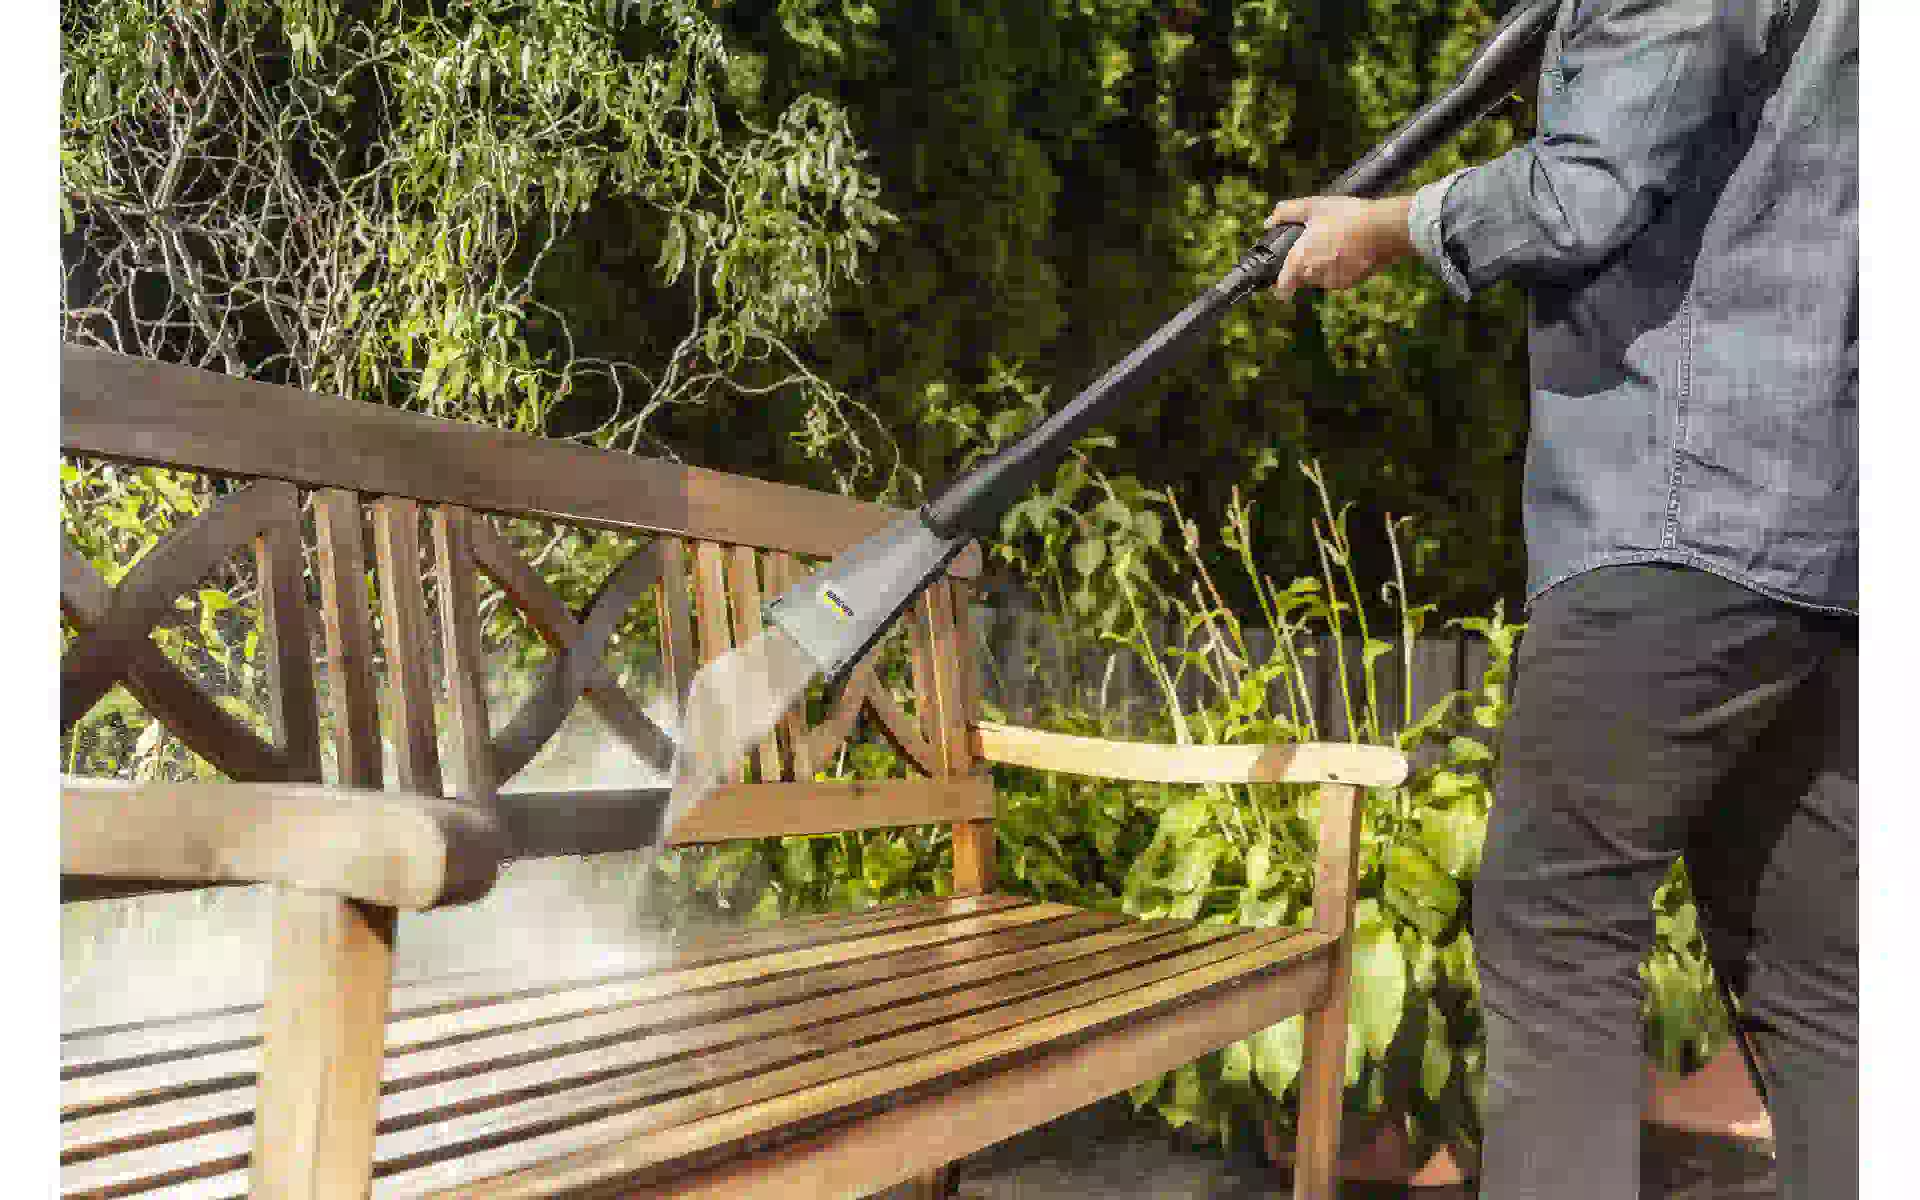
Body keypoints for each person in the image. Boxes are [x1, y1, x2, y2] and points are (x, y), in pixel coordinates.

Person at [1261, 1, 1857, 1197]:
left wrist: (1387, 227)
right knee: (1819, 993)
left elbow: (1589, 183)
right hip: (1835, 542)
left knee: (1555, 936)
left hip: (1681, 509)